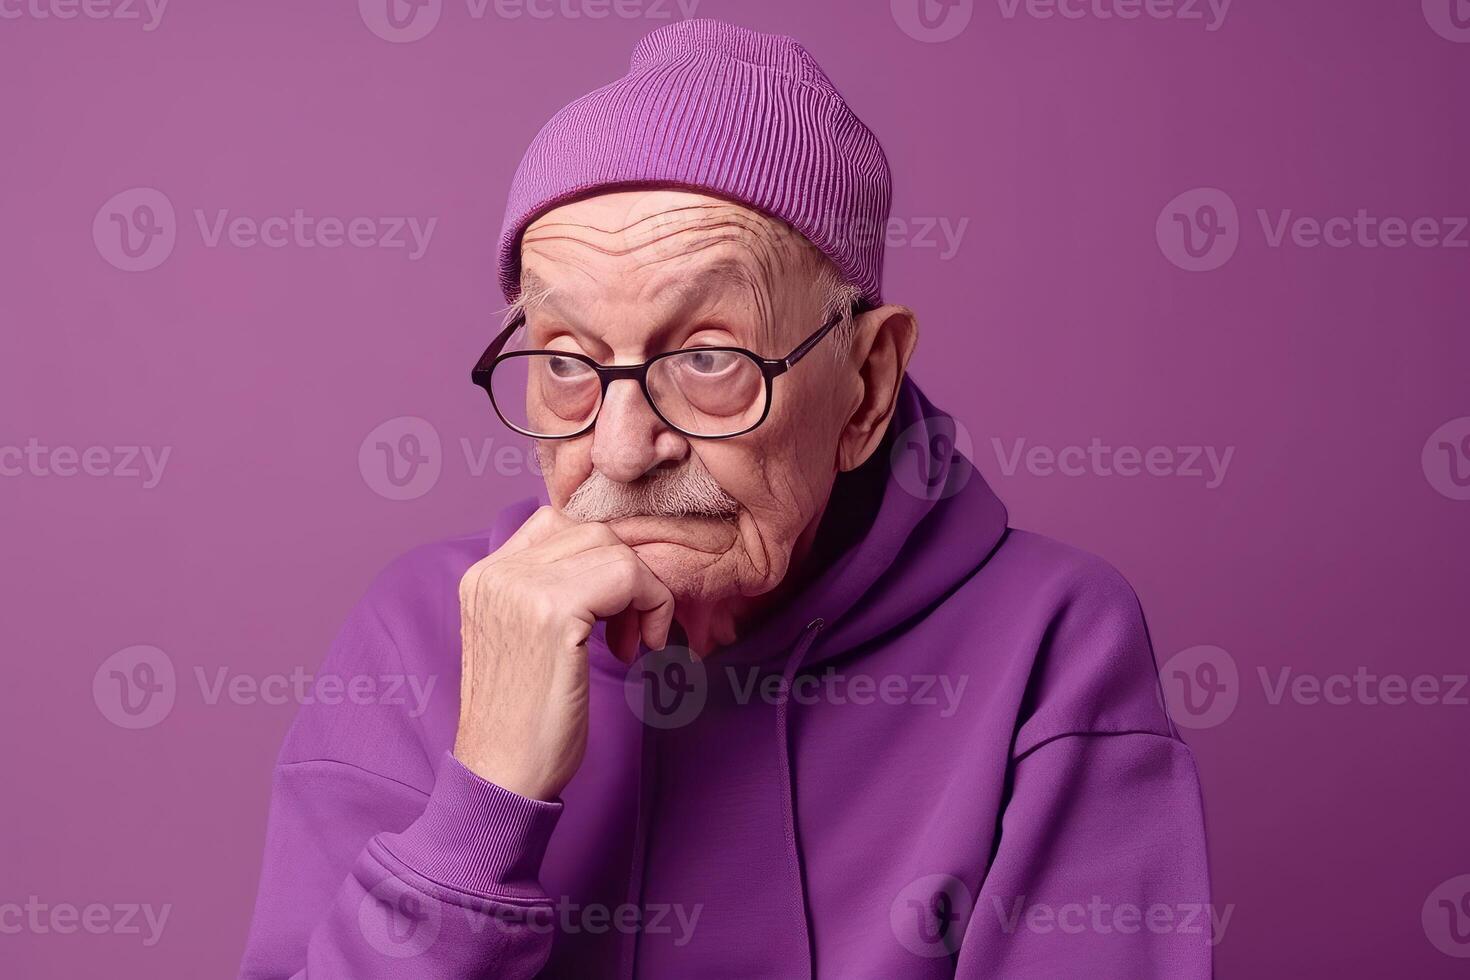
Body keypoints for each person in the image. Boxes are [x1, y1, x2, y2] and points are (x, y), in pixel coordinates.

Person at [240, 18, 1211, 978]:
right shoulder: (418, 632)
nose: (622, 448)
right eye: (568, 361)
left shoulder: (1050, 640)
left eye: (708, 357)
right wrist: (483, 798)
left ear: (866, 383)